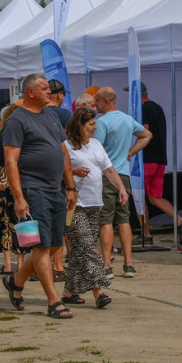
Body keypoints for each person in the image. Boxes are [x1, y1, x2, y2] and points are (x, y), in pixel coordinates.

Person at [1, 73, 77, 320]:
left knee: (54, 244)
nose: (50, 92)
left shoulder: (51, 115)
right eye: (45, 88)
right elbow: (10, 162)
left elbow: (63, 152)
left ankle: (16, 280)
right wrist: (19, 197)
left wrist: (71, 187)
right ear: (31, 92)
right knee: (40, 246)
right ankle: (54, 302)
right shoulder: (17, 120)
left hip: (56, 190)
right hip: (32, 192)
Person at [61, 108, 125, 309]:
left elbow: (109, 169)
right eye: (91, 125)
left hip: (94, 203)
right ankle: (99, 291)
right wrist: (73, 171)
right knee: (89, 248)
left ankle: (69, 292)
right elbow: (58, 170)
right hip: (74, 205)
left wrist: (121, 187)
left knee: (80, 250)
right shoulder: (66, 147)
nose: (94, 128)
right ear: (80, 126)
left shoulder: (96, 144)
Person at [94, 86, 151, 280]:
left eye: (98, 102)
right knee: (124, 219)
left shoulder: (102, 123)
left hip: (107, 176)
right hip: (124, 175)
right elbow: (147, 135)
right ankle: (129, 264)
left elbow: (97, 150)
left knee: (106, 220)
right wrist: (130, 152)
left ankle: (107, 265)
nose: (96, 106)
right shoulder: (127, 119)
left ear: (107, 102)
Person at [135, 84, 182, 241]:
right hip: (160, 159)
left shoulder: (144, 109)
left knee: (138, 195)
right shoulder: (158, 108)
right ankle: (181, 221)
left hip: (147, 158)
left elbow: (145, 131)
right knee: (155, 197)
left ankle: (146, 234)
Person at [0, 104, 20, 276]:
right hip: (22, 186)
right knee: (23, 223)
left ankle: (7, 265)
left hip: (3, 187)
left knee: (5, 223)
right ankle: (22, 264)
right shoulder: (24, 137)